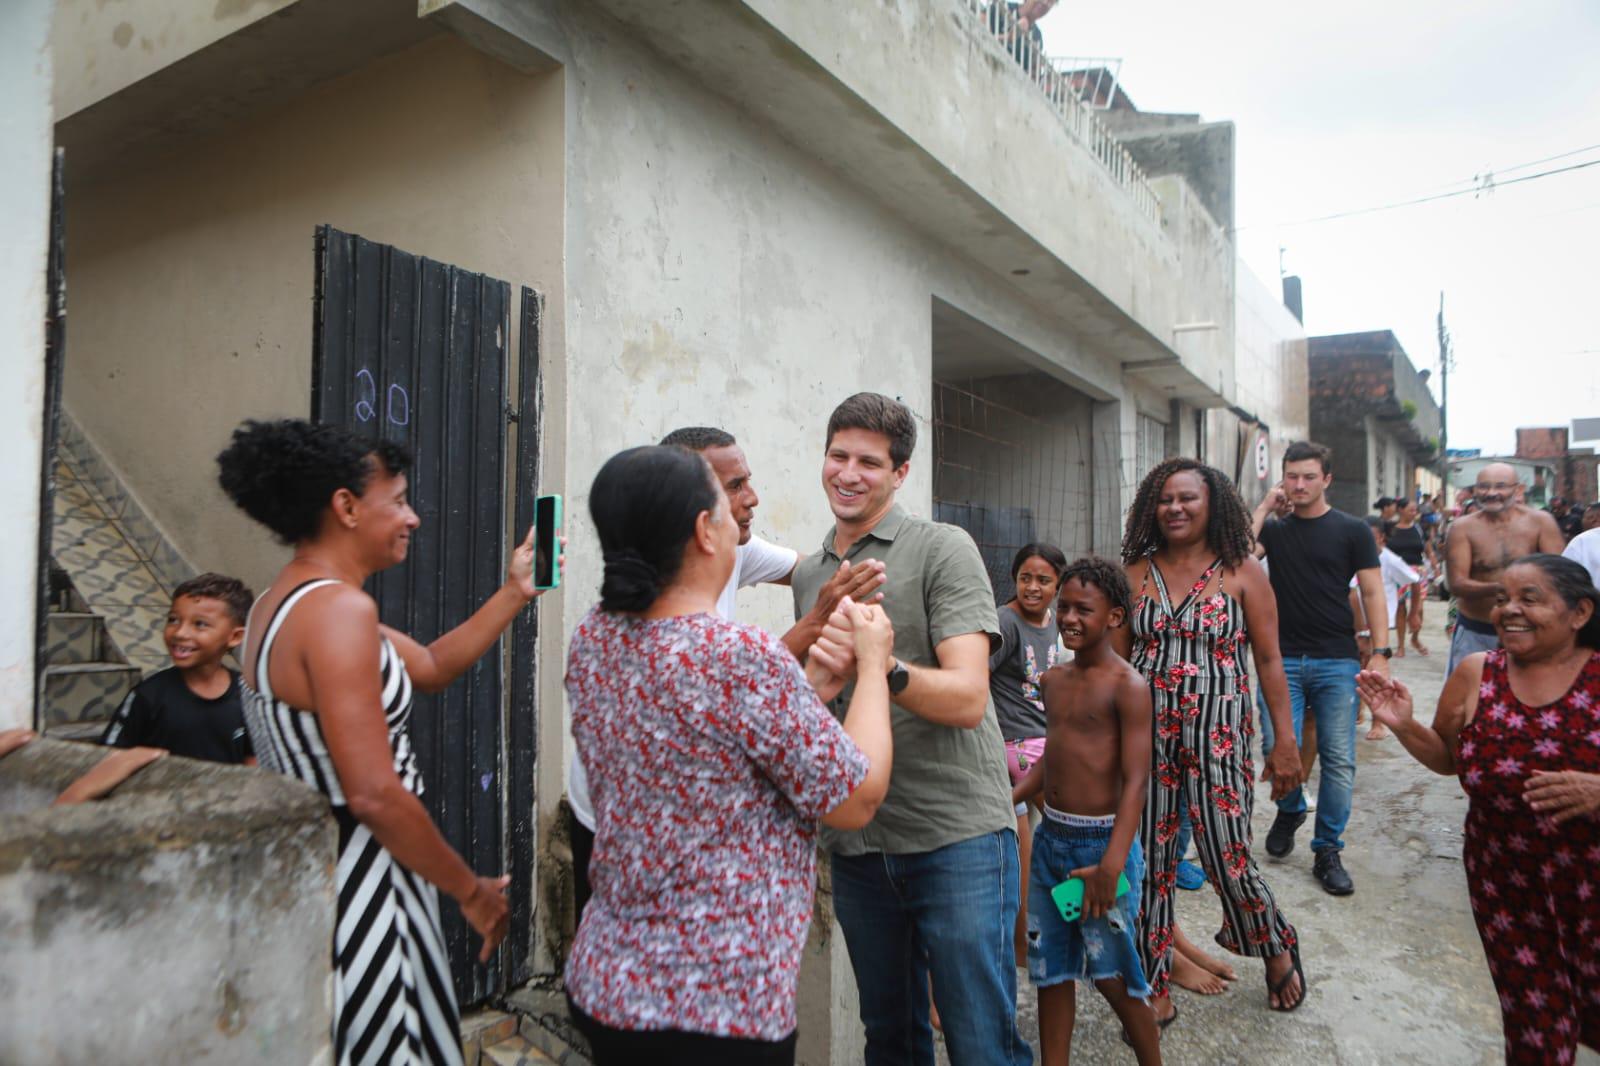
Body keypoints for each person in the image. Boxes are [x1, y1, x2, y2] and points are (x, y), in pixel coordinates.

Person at [217, 419, 550, 1066]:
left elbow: (425, 666)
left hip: (322, 876)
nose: (413, 518)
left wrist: (515, 593)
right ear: (345, 507)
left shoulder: (278, 603)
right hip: (367, 882)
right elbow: (373, 793)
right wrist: (471, 892)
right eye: (397, 500)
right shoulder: (339, 613)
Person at [563, 445, 894, 1065]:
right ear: (702, 532)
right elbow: (857, 798)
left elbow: (709, 753)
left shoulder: (593, 637)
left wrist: (807, 690)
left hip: (609, 984)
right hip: (718, 1008)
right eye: (727, 505)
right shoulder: (736, 655)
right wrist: (873, 667)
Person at [789, 393, 1029, 1066]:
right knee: (891, 1039)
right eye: (839, 456)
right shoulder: (812, 574)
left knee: (981, 1041)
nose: (850, 473)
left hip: (957, 836)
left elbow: (969, 699)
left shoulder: (941, 548)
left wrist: (883, 666)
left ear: (900, 473)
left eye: (870, 461)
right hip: (861, 843)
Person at [1356, 554, 1600, 1066]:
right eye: (1502, 599)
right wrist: (1402, 724)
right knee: (1537, 1035)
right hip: (1508, 888)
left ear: (1579, 613)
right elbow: (1449, 760)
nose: (1509, 610)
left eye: (1529, 599)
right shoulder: (1476, 673)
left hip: (1591, 889)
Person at [1119, 459, 1306, 1022]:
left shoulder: (1244, 572)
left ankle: (1274, 942)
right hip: (1146, 740)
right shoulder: (1134, 572)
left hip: (1220, 735)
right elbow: (1120, 662)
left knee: (1227, 853)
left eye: (1188, 499)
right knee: (1149, 859)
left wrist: (1285, 742)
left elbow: (1270, 660)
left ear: (1214, 505)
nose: (1175, 508)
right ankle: (1152, 977)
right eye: (1165, 499)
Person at [1012, 558, 1160, 1066]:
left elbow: (1137, 781)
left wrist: (1112, 865)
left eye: (1084, 609)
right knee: (1050, 971)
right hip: (1051, 843)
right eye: (1064, 607)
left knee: (1114, 976)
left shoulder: (1128, 687)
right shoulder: (1054, 681)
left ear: (1115, 616)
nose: (1068, 618)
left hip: (1101, 852)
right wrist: (1006, 798)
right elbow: (1054, 759)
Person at [1249, 441, 1389, 896]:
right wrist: (1266, 506)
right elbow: (1240, 558)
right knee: (1275, 746)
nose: (1300, 484)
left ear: (1327, 479)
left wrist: (1381, 650)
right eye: (1292, 476)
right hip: (1280, 659)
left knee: (1339, 759)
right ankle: (1291, 808)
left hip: (1336, 659)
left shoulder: (1352, 531)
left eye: (1309, 476)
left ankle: (1327, 848)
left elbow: (1372, 592)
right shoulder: (1276, 529)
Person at [992, 541, 1067, 967]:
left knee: (1028, 849)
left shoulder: (1055, 623)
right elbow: (976, 679)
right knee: (1078, 839)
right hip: (1020, 749)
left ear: (1058, 584)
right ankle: (1082, 918)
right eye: (1025, 578)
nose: (1032, 588)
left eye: (1043, 580)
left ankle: (1025, 944)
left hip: (1041, 745)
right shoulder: (1005, 622)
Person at [100, 573, 256, 764]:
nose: (180, 633)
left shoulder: (249, 696)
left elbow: (253, 760)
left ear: (235, 637)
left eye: (200, 624)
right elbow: (108, 759)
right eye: (173, 620)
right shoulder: (148, 696)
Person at [1443, 463, 1565, 676]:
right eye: (1483, 487)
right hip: (1477, 630)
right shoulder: (1462, 528)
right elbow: (1457, 584)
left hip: (1530, 629)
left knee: (1531, 697)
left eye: (1500, 486)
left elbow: (1558, 576)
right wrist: (1507, 589)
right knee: (1469, 700)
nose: (1491, 493)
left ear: (1518, 490)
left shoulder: (1540, 522)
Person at [1347, 516, 1419, 741]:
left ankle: (1378, 722)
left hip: (1379, 624)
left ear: (1381, 538)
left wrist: (1414, 613)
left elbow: (1415, 580)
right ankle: (1357, 711)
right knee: (1356, 667)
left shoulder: (1389, 559)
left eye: (1371, 536)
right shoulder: (1351, 556)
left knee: (1376, 672)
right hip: (1354, 623)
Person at [1386, 497, 1435, 657]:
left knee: (1418, 608)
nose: (1414, 513)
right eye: (1411, 510)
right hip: (1397, 571)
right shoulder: (1390, 528)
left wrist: (1435, 566)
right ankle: (1400, 646)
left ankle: (1415, 638)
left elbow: (1428, 550)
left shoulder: (1420, 528)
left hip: (1417, 571)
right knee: (1400, 607)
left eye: (1415, 510)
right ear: (1400, 510)